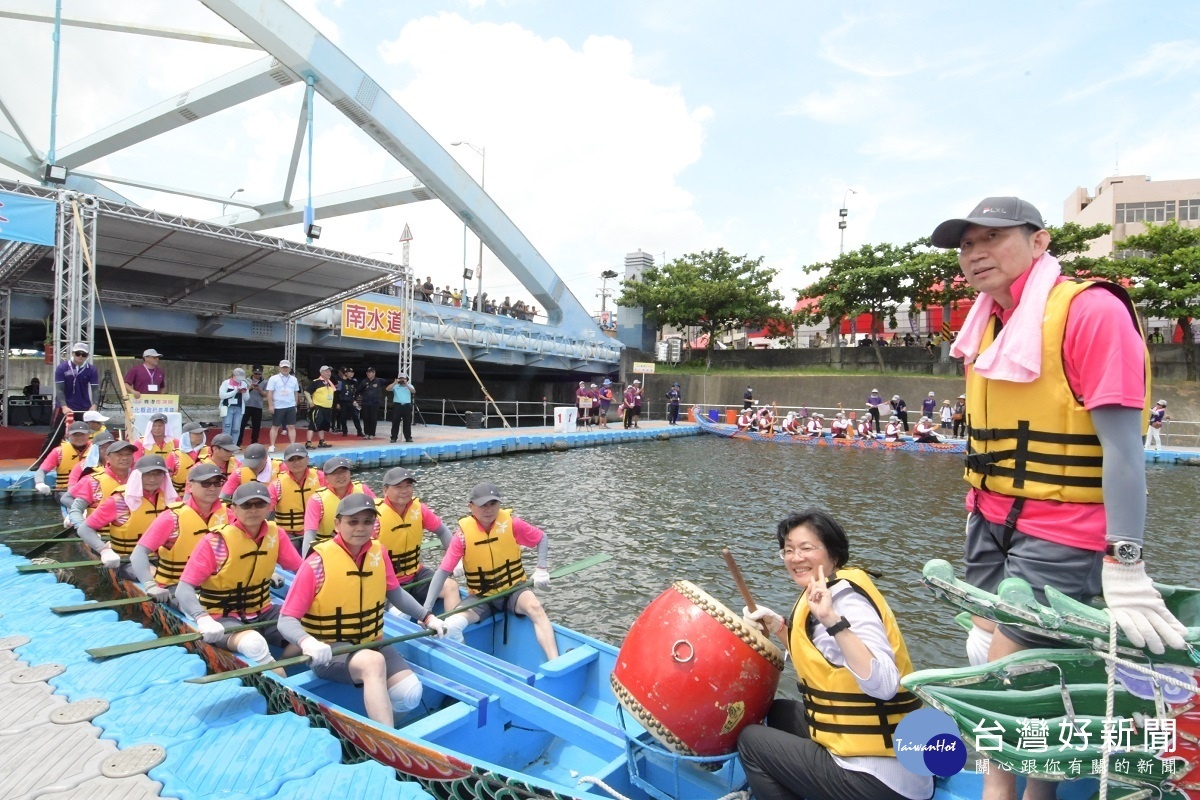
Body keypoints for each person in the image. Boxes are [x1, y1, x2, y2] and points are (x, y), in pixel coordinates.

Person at [932, 196, 1187, 800]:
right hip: (991, 524)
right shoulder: (989, 322)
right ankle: (1039, 792)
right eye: (966, 244)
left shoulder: (1089, 311)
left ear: (1040, 242)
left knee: (999, 676)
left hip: (1064, 530)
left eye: (991, 237)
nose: (975, 253)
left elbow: (1125, 450)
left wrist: (1125, 561)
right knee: (1011, 666)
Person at [738, 509, 931, 800]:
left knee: (750, 741)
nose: (795, 558)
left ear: (833, 554)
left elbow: (885, 683)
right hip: (888, 762)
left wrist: (832, 619)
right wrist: (778, 627)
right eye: (788, 550)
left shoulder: (847, 604)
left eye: (806, 548)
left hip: (882, 782)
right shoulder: (827, 589)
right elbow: (826, 660)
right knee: (779, 712)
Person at [278, 493, 447, 725]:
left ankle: (378, 735)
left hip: (371, 640)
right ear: (337, 524)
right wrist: (307, 642)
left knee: (409, 694)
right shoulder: (316, 564)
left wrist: (427, 617)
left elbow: (395, 593)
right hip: (330, 650)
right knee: (373, 663)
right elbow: (286, 619)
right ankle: (388, 744)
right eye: (353, 522)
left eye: (367, 522)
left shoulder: (378, 553)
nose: (361, 528)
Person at [176, 481, 303, 676]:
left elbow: (301, 571)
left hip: (264, 610)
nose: (253, 510)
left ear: (269, 507)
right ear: (233, 508)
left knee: (314, 626)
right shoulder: (216, 542)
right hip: (222, 615)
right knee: (254, 644)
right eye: (246, 505)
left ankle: (282, 667)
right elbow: (183, 588)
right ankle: (282, 685)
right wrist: (202, 619)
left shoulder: (276, 535)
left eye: (259, 504)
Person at [423, 483, 557, 663]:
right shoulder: (462, 537)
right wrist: (427, 610)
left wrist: (541, 568)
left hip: (512, 590)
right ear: (470, 506)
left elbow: (542, 538)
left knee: (535, 607)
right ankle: (469, 665)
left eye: (493, 504)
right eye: (483, 505)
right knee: (452, 626)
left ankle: (554, 661)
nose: (489, 510)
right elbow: (442, 572)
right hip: (481, 597)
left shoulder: (512, 524)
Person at [373, 468, 463, 628]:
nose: (404, 491)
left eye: (408, 486)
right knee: (400, 613)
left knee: (451, 586)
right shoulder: (375, 517)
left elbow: (442, 531)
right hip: (387, 583)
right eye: (398, 487)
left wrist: (455, 561)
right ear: (385, 490)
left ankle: (452, 632)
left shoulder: (419, 509)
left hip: (415, 574)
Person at [132, 462, 229, 604]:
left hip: (215, 585)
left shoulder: (230, 514)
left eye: (217, 483)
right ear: (189, 486)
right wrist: (150, 585)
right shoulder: (172, 517)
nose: (212, 488)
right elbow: (138, 553)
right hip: (175, 586)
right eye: (206, 483)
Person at [76, 454, 177, 579]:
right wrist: (104, 550)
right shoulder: (119, 501)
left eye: (158, 474)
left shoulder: (171, 499)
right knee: (156, 575)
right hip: (126, 560)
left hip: (163, 557)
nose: (152, 479)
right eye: (147, 474)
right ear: (137, 476)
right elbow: (84, 529)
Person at [302, 456, 376, 554]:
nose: (340, 476)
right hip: (329, 550)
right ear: (326, 478)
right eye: (335, 473)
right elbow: (309, 534)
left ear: (350, 473)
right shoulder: (317, 499)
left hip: (361, 546)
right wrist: (305, 560)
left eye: (343, 472)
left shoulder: (363, 490)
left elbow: (378, 521)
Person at [67, 439, 137, 531]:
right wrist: (83, 528)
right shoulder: (92, 480)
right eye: (119, 455)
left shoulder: (140, 479)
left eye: (128, 454)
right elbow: (76, 509)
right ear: (107, 458)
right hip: (100, 535)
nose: (124, 458)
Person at [47, 341, 100, 452]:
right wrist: (64, 406)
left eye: (83, 354)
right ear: (72, 353)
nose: (80, 356)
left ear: (88, 356)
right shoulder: (62, 368)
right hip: (64, 406)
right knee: (56, 434)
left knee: (85, 434)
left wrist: (94, 404)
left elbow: (95, 389)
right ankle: (42, 460)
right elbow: (59, 389)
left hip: (83, 407)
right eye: (78, 353)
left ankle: (85, 458)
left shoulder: (91, 369)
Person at [268, 443, 325, 544]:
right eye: (291, 459)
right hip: (289, 535)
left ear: (307, 459)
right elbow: (266, 510)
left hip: (319, 532)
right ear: (285, 463)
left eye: (299, 458)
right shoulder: (277, 485)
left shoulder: (321, 478)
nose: (296, 462)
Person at [35, 421, 93, 497]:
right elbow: (42, 470)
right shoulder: (58, 452)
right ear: (68, 435)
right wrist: (40, 483)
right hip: (64, 491)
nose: (79, 438)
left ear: (89, 434)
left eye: (82, 435)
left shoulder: (96, 450)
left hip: (92, 490)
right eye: (75, 435)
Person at [264, 360, 300, 453]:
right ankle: (272, 445)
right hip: (278, 406)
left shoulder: (294, 379)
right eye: (283, 367)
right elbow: (270, 392)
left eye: (287, 367)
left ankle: (293, 445)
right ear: (280, 368)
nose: (285, 369)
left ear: (290, 368)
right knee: (275, 426)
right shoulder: (274, 378)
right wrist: (271, 405)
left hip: (290, 405)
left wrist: (295, 405)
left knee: (291, 426)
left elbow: (296, 392)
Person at [170, 422, 211, 493]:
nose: (200, 436)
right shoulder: (174, 455)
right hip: (179, 496)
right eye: (196, 433)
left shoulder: (209, 451)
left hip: (204, 493)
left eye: (201, 433)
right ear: (186, 436)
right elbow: (166, 478)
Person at [307, 366, 337, 449]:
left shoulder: (330, 383)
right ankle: (308, 442)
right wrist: (310, 402)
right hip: (318, 407)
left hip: (327, 407)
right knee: (313, 425)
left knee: (322, 425)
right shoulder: (316, 382)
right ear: (322, 373)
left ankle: (321, 441)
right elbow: (307, 391)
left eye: (329, 371)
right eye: (326, 371)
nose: (329, 373)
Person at [239, 366, 268, 447]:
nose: (257, 375)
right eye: (255, 373)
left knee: (256, 426)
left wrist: (259, 389)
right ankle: (238, 442)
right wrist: (250, 388)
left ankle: (254, 442)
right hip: (246, 405)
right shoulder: (246, 380)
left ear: (262, 373)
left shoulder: (265, 382)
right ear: (252, 372)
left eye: (259, 374)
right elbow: (241, 391)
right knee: (242, 424)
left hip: (258, 406)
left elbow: (266, 394)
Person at [218, 367, 249, 439]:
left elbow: (246, 398)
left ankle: (234, 446)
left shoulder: (243, 384)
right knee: (227, 428)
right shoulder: (226, 383)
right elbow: (222, 396)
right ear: (233, 376)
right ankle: (225, 446)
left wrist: (244, 392)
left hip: (239, 408)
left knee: (236, 429)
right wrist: (235, 391)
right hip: (227, 408)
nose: (239, 380)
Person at [386, 372, 416, 444]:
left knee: (407, 422)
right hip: (397, 406)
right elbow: (387, 389)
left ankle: (408, 437)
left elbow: (414, 391)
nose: (402, 380)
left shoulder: (409, 385)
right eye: (401, 378)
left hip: (406, 406)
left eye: (404, 378)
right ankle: (393, 437)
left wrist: (407, 385)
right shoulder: (396, 386)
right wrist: (394, 383)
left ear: (406, 379)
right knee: (395, 422)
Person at [358, 367, 386, 439]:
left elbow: (388, 382)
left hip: (375, 403)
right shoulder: (364, 381)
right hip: (365, 403)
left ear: (374, 373)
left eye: (370, 372)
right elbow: (359, 390)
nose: (368, 374)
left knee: (373, 419)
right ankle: (367, 433)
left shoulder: (379, 380)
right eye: (367, 372)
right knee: (366, 418)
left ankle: (372, 434)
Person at [337, 367, 363, 437]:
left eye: (352, 372)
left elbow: (357, 387)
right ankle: (345, 431)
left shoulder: (354, 381)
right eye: (349, 372)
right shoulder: (341, 382)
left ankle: (359, 431)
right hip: (343, 401)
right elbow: (338, 392)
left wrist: (355, 399)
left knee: (355, 416)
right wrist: (338, 402)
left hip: (352, 401)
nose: (351, 374)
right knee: (343, 417)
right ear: (346, 373)